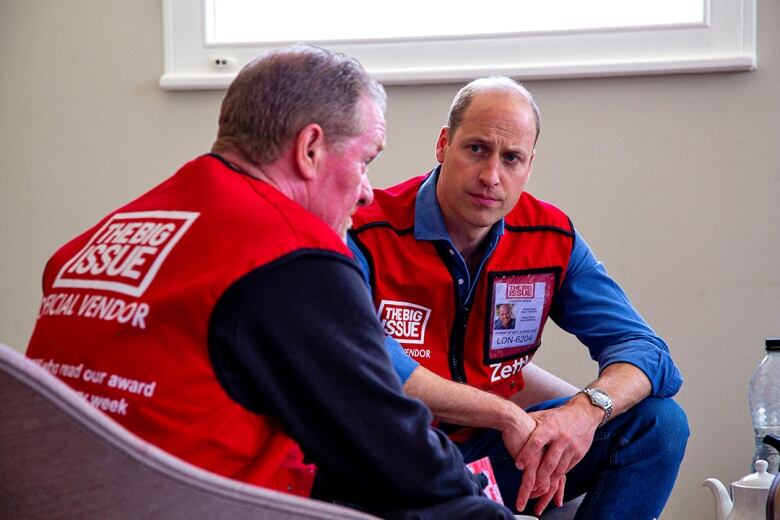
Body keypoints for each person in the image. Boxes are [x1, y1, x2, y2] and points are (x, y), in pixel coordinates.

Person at [25, 46, 515, 519]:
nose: (367, 193)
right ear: (310, 148)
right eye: (365, 161)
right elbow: (395, 455)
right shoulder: (290, 255)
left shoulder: (106, 236)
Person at [349, 76, 689, 519]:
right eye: (476, 149)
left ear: (529, 166)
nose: (492, 176)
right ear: (443, 145)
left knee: (659, 424)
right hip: (392, 460)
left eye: (511, 158)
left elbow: (646, 352)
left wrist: (583, 413)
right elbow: (373, 367)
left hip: (494, 456)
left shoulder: (550, 237)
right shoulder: (365, 230)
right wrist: (508, 416)